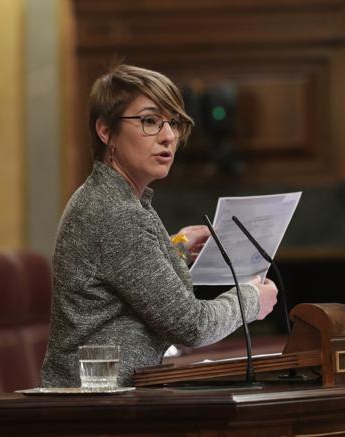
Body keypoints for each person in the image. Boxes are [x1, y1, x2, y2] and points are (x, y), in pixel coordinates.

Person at [40, 64, 278, 387]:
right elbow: (192, 325)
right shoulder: (116, 212)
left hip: (115, 402)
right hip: (95, 413)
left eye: (173, 123)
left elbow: (125, 275)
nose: (168, 137)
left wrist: (177, 246)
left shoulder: (119, 199)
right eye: (150, 121)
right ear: (106, 131)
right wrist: (252, 300)